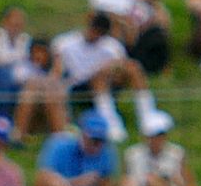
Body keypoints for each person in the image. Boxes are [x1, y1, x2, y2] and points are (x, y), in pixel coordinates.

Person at [52, 9, 170, 138]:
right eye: (94, 29)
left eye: (100, 32)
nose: (95, 34)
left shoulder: (112, 46)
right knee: (98, 77)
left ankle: (147, 116)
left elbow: (122, 68)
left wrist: (111, 68)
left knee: (133, 67)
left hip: (107, 84)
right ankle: (111, 124)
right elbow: (57, 71)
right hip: (78, 86)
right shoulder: (65, 43)